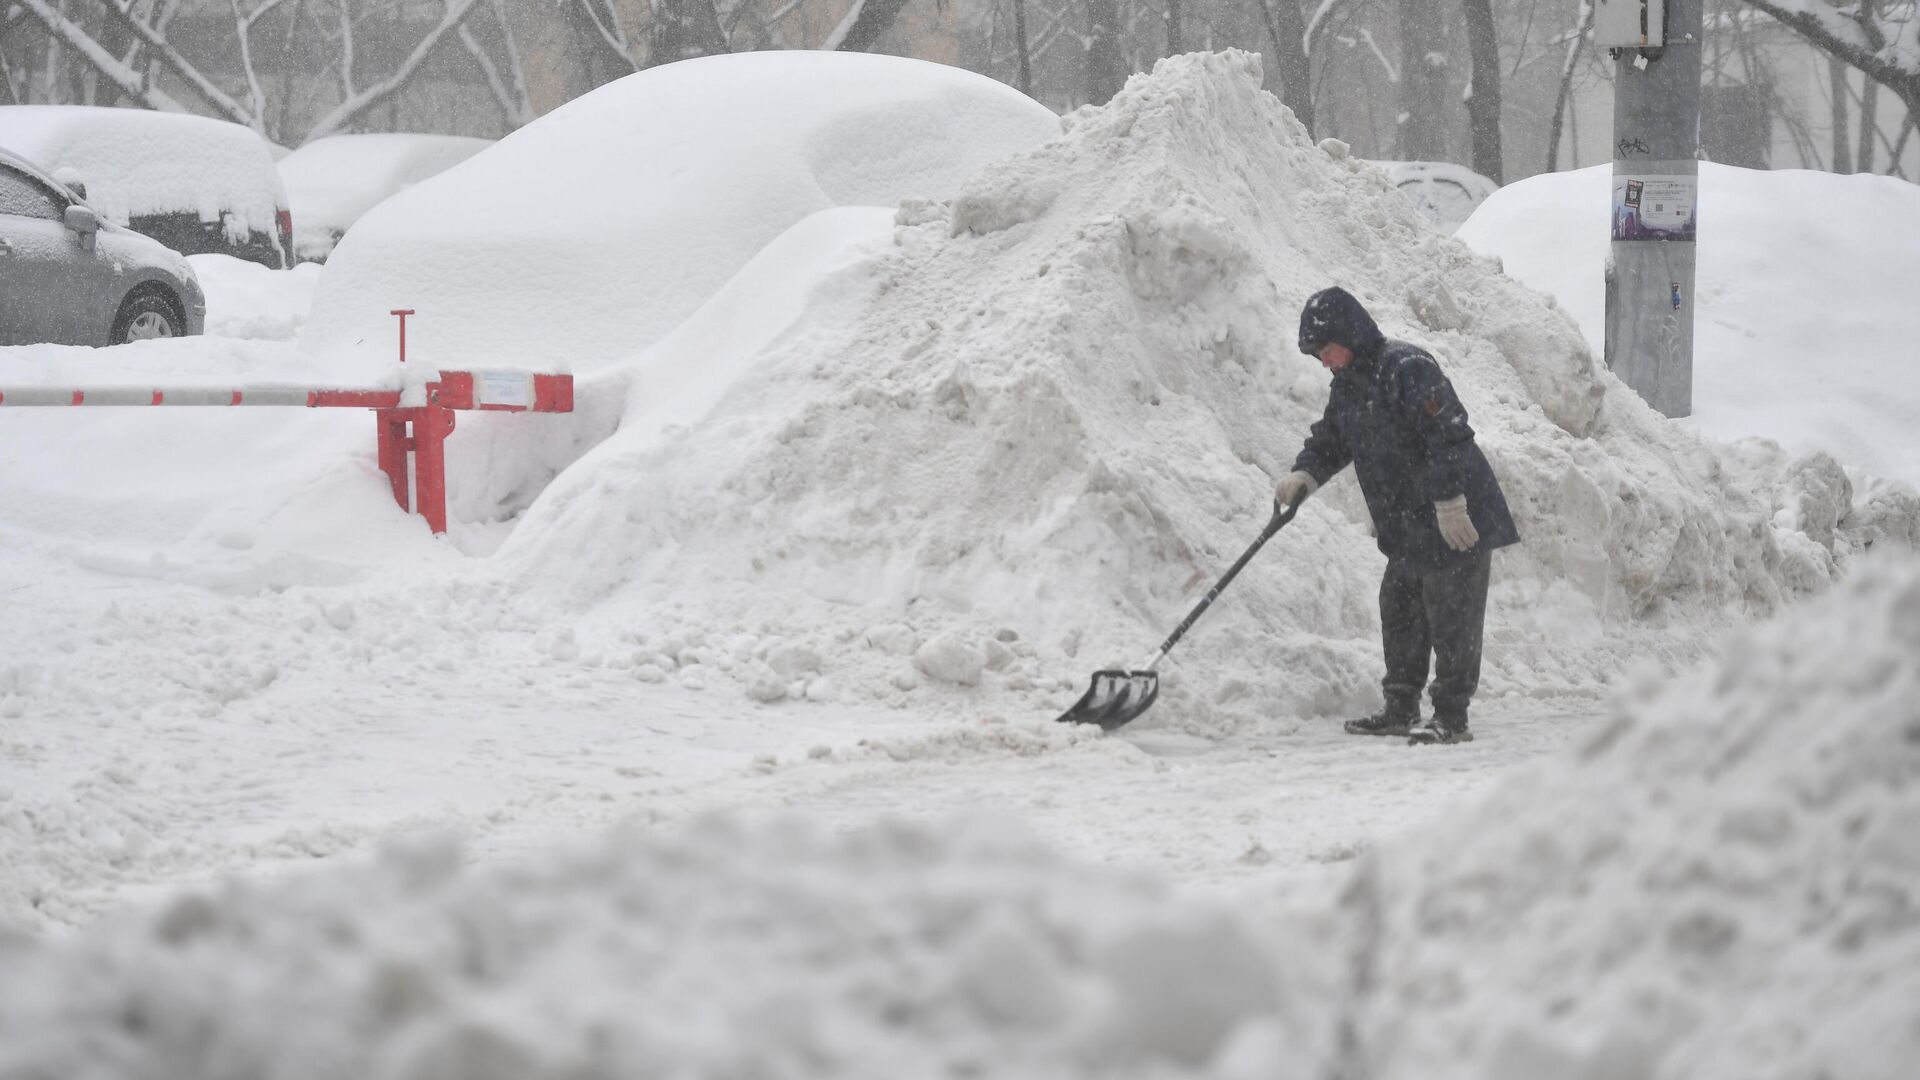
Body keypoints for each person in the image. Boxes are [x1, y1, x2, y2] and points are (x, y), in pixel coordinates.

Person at [1273, 286, 1518, 745]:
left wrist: (1450, 502)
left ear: (1349, 334)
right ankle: (1400, 706)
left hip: (1457, 516)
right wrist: (1305, 475)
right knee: (1400, 608)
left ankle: (1451, 714)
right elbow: (1332, 439)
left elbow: (1448, 435)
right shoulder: (1348, 386)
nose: (1324, 361)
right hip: (1409, 524)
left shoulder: (1407, 368)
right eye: (1318, 356)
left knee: (1453, 616)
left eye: (1327, 350)